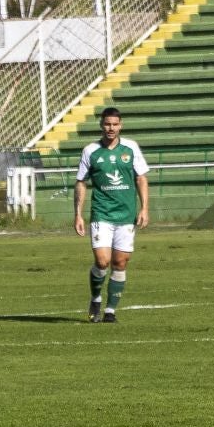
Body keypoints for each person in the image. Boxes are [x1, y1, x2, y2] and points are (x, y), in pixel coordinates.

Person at [75, 107, 150, 323]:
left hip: (126, 215)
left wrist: (144, 208)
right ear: (101, 125)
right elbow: (81, 182)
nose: (111, 128)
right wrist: (78, 214)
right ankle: (96, 298)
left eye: (115, 124)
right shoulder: (91, 151)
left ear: (121, 125)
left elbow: (141, 178)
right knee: (102, 261)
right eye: (107, 124)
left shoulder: (131, 148)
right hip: (101, 213)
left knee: (120, 263)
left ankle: (110, 311)